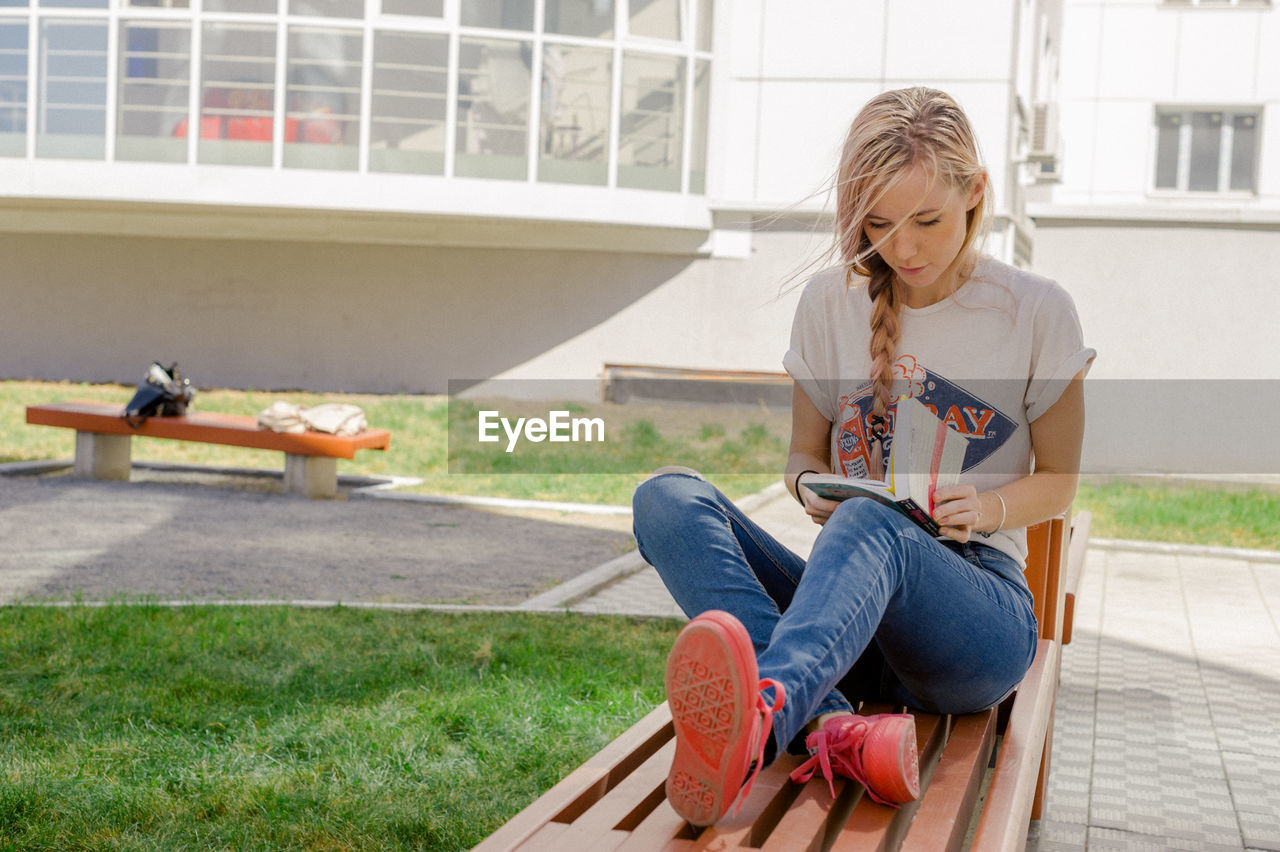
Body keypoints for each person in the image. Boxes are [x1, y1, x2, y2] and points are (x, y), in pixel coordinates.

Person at [631, 86, 1095, 827]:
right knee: (666, 498)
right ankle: (831, 726)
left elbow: (1063, 483)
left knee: (872, 526)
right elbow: (799, 458)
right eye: (877, 223)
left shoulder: (1036, 310)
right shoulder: (827, 303)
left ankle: (758, 727)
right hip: (841, 618)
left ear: (976, 193)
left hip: (972, 622)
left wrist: (992, 506)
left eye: (927, 221)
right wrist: (810, 488)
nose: (903, 247)